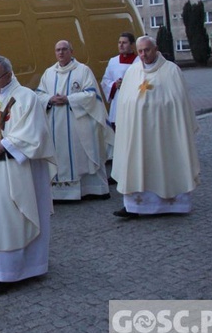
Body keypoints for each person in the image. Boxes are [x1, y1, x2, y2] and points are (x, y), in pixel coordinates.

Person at [0, 56, 56, 294]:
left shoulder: (27, 98)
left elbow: (34, 134)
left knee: (19, 214)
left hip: (19, 170)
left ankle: (30, 267)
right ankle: (2, 271)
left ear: (9, 74)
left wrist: (4, 145)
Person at [112, 36, 201, 218]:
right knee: (137, 164)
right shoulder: (132, 72)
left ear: (156, 49)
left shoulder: (171, 71)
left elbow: (179, 102)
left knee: (166, 164)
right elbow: (124, 102)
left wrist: (156, 106)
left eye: (147, 50)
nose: (144, 54)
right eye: (140, 51)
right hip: (138, 133)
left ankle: (174, 205)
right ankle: (135, 207)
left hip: (165, 132)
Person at [35, 40, 113, 200]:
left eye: (64, 49)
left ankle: (91, 189)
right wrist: (50, 99)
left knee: (84, 155)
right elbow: (38, 94)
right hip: (55, 124)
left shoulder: (83, 71)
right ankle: (60, 194)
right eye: (58, 50)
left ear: (71, 51)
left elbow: (92, 95)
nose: (61, 53)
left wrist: (69, 99)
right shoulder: (49, 73)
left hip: (79, 123)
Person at [101, 32, 138, 129]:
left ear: (132, 45)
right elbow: (105, 81)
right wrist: (114, 85)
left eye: (124, 43)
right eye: (119, 42)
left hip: (132, 102)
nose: (121, 45)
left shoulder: (139, 61)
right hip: (117, 102)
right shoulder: (113, 61)